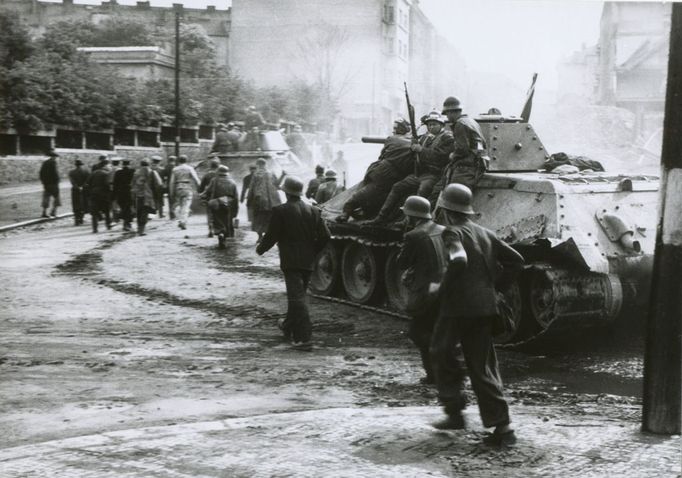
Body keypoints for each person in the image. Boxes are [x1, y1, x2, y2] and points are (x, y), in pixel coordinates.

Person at [430, 184, 524, 447]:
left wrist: (441, 286)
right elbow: (516, 260)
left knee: (439, 351)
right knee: (482, 366)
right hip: (485, 307)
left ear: (446, 210)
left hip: (457, 307)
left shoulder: (451, 231)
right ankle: (503, 429)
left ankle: (454, 411)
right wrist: (495, 288)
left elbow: (458, 259)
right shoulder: (485, 233)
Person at [256, 176, 331, 351]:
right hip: (308, 261)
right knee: (297, 296)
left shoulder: (281, 211)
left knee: (297, 298)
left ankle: (303, 338)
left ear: (287, 193)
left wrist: (261, 249)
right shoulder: (314, 211)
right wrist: (314, 251)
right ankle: (288, 325)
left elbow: (272, 235)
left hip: (290, 260)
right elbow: (326, 236)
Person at [396, 195, 447, 384]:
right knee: (435, 329)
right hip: (444, 288)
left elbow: (402, 263)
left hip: (425, 292)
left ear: (411, 216)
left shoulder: (413, 236)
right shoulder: (444, 230)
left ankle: (435, 374)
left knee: (418, 333)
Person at [369, 110, 453, 225]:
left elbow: (440, 157)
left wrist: (421, 150)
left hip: (434, 174)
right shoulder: (425, 138)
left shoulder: (447, 138)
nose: (431, 127)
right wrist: (413, 147)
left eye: (434, 124)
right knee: (397, 187)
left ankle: (409, 221)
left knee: (423, 190)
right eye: (429, 125)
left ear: (442, 125)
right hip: (420, 173)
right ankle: (381, 217)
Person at [335, 118, 414, 223]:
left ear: (401, 129)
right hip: (399, 177)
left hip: (383, 174)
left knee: (362, 194)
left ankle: (346, 213)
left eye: (395, 128)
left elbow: (382, 156)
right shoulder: (413, 142)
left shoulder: (392, 139)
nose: (393, 130)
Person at [429, 97, 489, 207]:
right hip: (475, 164)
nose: (447, 117)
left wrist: (453, 155)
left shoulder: (460, 124)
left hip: (466, 168)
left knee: (455, 197)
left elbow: (462, 149)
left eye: (447, 113)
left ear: (452, 112)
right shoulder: (471, 121)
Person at [246, 158, 282, 242]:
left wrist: (249, 199)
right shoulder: (271, 173)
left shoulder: (255, 175)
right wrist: (283, 175)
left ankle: (260, 237)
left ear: (258, 165)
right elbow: (277, 184)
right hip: (271, 201)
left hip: (258, 200)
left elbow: (251, 188)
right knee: (269, 218)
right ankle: (267, 236)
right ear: (265, 164)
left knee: (258, 218)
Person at [202, 165, 239, 248]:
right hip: (228, 204)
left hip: (217, 204)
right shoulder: (232, 182)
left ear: (218, 172)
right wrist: (236, 210)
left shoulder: (214, 180)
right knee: (227, 221)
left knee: (218, 221)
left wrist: (202, 196)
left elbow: (207, 191)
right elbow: (236, 197)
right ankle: (224, 237)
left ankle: (220, 234)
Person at [131, 158, 162, 236]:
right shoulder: (152, 172)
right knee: (149, 211)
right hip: (149, 195)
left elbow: (132, 184)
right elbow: (159, 183)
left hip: (138, 195)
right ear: (148, 164)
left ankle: (139, 228)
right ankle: (142, 229)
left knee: (139, 211)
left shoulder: (136, 173)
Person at [169, 154, 200, 230]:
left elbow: (171, 182)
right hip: (187, 187)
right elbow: (196, 179)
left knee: (179, 205)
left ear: (179, 161)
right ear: (186, 160)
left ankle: (180, 220)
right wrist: (200, 188)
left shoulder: (175, 169)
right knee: (186, 205)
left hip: (178, 187)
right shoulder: (189, 168)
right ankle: (183, 221)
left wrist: (171, 192)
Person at [86, 158, 112, 233]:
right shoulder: (106, 173)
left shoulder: (93, 173)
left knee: (94, 212)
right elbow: (107, 184)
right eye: (108, 165)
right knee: (106, 210)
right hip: (103, 195)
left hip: (94, 194)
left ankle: (95, 228)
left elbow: (87, 183)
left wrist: (91, 191)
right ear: (104, 166)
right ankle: (108, 225)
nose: (109, 167)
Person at [199, 157, 221, 238]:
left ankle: (210, 229)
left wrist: (201, 195)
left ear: (211, 166)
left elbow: (201, 187)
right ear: (218, 166)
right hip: (220, 197)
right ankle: (219, 230)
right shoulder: (220, 174)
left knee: (210, 213)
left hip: (209, 197)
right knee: (219, 214)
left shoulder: (206, 175)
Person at [113, 159, 135, 231]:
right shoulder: (132, 171)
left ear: (122, 164)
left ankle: (126, 223)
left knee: (123, 208)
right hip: (129, 193)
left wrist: (114, 194)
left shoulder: (118, 172)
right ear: (129, 164)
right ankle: (127, 223)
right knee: (128, 208)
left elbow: (115, 185)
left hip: (120, 193)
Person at [39, 149, 61, 218]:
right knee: (57, 198)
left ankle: (44, 212)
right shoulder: (53, 163)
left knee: (46, 198)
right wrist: (58, 180)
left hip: (46, 184)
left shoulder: (45, 163)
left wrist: (43, 182)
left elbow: (41, 173)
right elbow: (55, 173)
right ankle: (53, 212)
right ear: (54, 157)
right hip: (53, 184)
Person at [68, 159, 89, 225]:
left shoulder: (71, 172)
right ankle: (81, 218)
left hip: (75, 190)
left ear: (75, 165)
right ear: (81, 165)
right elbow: (87, 180)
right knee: (83, 204)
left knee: (76, 204)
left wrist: (77, 186)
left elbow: (72, 181)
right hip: (84, 190)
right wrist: (82, 186)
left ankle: (77, 219)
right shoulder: (86, 171)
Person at [108, 157, 122, 223]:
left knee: (113, 203)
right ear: (118, 163)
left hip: (111, 188)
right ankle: (118, 217)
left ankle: (115, 217)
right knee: (119, 203)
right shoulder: (120, 170)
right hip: (119, 188)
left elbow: (108, 180)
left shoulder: (110, 170)